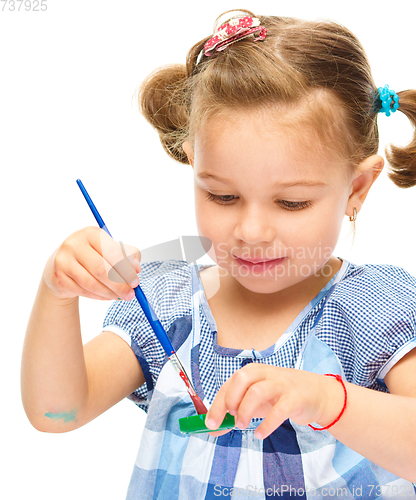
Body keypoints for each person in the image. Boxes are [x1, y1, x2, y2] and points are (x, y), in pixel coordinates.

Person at [21, 8, 416, 499]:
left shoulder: (373, 308)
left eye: (291, 202)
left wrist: (324, 399)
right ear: (194, 163)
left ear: (357, 188)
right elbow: (56, 412)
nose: (251, 231)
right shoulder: (167, 302)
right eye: (222, 196)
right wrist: (56, 294)